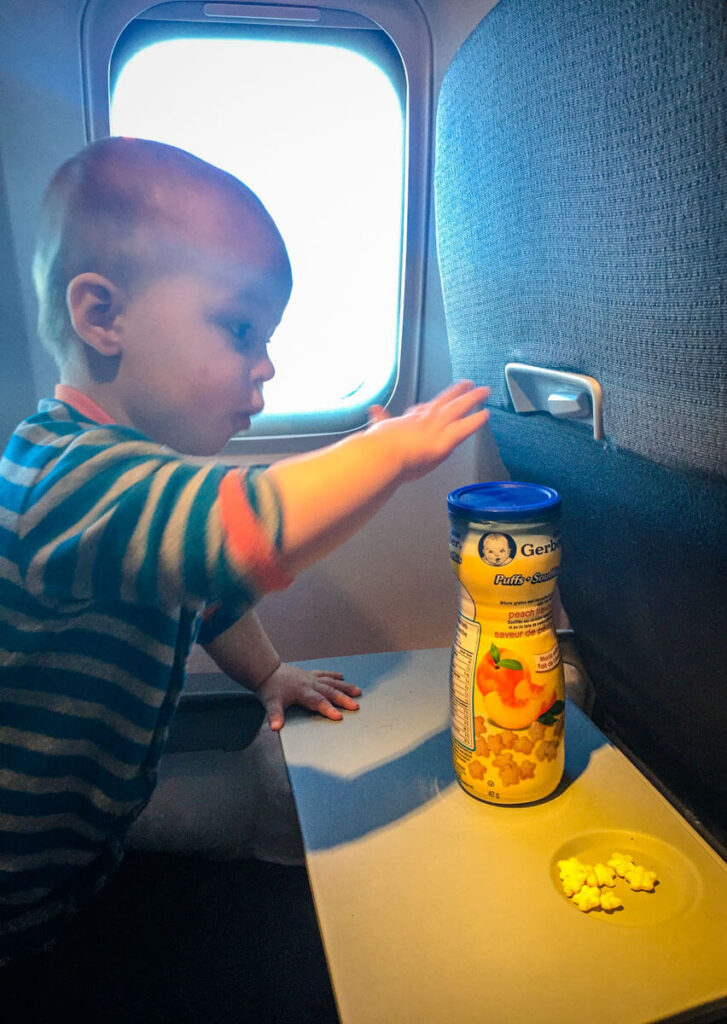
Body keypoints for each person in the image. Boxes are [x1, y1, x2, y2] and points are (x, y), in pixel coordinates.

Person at [0, 137, 489, 969]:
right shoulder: (64, 474)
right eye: (240, 329)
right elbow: (243, 530)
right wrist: (391, 455)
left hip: (76, 852)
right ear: (102, 316)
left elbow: (207, 595)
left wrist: (267, 675)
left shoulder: (141, 484)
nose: (265, 367)